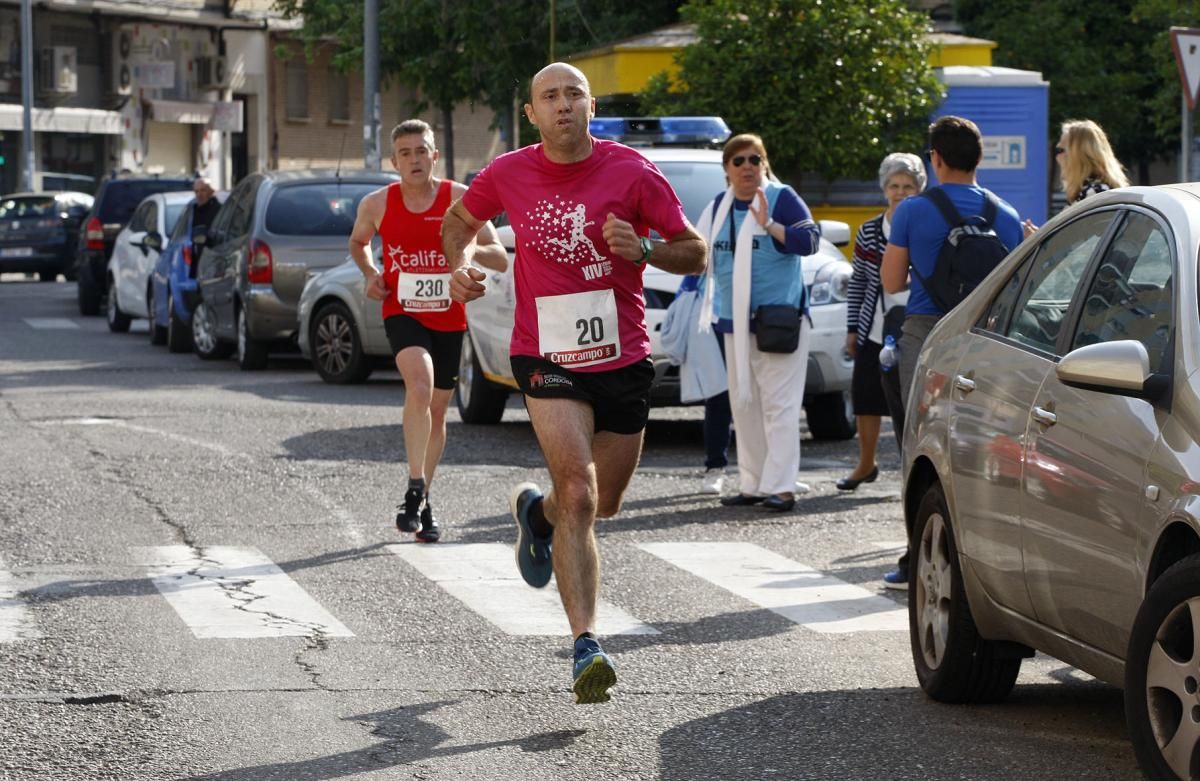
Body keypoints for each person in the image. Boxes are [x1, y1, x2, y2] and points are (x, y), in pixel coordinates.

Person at [442, 63, 706, 704]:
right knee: (580, 493)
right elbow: (457, 223)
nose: (563, 105)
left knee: (602, 504)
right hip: (546, 353)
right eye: (549, 97)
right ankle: (586, 643)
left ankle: (537, 516)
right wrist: (460, 266)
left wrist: (643, 248)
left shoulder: (634, 172)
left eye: (573, 95)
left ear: (592, 106)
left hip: (622, 357)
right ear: (531, 114)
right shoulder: (508, 172)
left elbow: (694, 251)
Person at [881, 115, 1023, 588]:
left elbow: (892, 281)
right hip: (984, 336)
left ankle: (916, 557)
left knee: (919, 447)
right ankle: (981, 558)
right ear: (979, 159)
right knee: (980, 447)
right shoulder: (1004, 212)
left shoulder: (911, 212)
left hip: (926, 334)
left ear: (935, 159)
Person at [349, 119, 507, 543]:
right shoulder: (378, 204)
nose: (415, 160)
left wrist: (467, 247)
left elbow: (499, 255)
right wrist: (370, 271)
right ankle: (415, 485)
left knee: (438, 410)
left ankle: (422, 500)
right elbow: (359, 242)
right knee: (420, 386)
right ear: (394, 161)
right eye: (406, 153)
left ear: (435, 155)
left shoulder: (459, 199)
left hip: (449, 315)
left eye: (422, 151)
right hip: (402, 309)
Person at [695, 133, 821, 513]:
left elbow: (810, 240)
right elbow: (696, 254)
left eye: (755, 159)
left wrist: (770, 226)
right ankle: (752, 483)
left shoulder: (781, 198)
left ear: (764, 164)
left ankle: (781, 488)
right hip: (733, 323)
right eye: (738, 161)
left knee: (779, 407)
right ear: (727, 170)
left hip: (778, 322)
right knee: (744, 404)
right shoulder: (718, 207)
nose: (747, 167)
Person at [840, 152, 925, 495]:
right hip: (874, 325)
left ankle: (912, 467)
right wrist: (851, 329)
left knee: (912, 401)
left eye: (907, 186)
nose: (900, 192)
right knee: (865, 396)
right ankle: (866, 463)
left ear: (919, 188)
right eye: (894, 185)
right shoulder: (871, 230)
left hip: (916, 323)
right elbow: (859, 280)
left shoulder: (925, 225)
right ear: (884, 188)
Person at [1057, 119, 1129, 204]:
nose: (1057, 157)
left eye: (1061, 150)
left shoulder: (1095, 193)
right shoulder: (1093, 191)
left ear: (1079, 156)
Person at [190, 177, 220, 243]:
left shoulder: (217, 210)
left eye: (203, 190)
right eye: (196, 191)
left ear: (209, 192)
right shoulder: (193, 211)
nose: (199, 194)